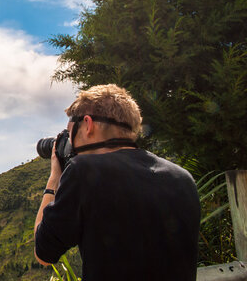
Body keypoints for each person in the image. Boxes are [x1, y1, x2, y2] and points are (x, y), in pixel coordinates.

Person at [34, 84, 200, 280]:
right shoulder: (182, 177)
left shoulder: (83, 171)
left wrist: (54, 179)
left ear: (88, 124)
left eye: (71, 133)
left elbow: (44, 252)